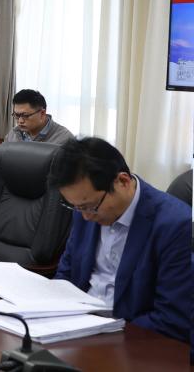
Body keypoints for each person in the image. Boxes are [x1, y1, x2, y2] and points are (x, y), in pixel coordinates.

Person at [50, 137, 192, 342]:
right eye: (77, 207)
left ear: (123, 182)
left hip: (128, 338)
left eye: (90, 207)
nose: (86, 217)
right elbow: (67, 273)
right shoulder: (84, 208)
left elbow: (172, 319)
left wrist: (105, 335)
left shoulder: (174, 225)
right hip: (74, 327)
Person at [4, 89, 74, 144]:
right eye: (17, 115)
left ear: (42, 113)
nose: (20, 121)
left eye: (25, 116)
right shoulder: (13, 134)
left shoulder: (65, 138)